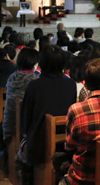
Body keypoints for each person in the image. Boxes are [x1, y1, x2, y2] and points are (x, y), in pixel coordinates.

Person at [21, 46, 76, 174]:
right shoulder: (71, 84)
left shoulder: (34, 86)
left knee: (20, 157)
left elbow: (25, 119)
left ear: (41, 64)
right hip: (65, 141)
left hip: (39, 143)